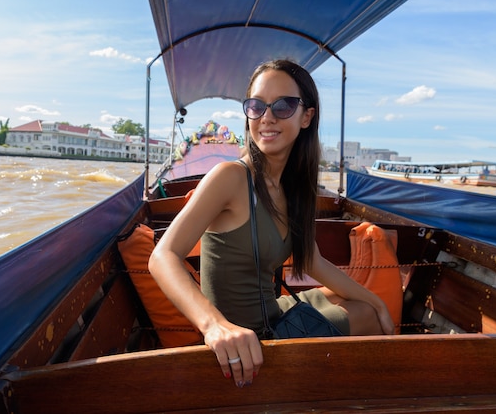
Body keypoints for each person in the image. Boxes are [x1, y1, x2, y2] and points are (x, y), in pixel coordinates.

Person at [148, 59, 394, 389]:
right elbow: (162, 256)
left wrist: (377, 300)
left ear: (307, 116)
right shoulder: (231, 177)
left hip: (274, 314)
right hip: (249, 339)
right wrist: (214, 326)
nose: (267, 117)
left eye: (283, 105)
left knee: (363, 305)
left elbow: (314, 262)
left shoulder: (294, 188)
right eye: (256, 106)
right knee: (365, 317)